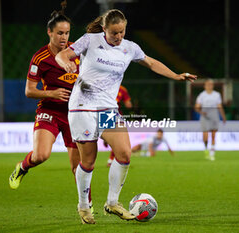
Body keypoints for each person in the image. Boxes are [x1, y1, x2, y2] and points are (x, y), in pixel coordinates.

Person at [55, 9, 197, 224]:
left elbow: (150, 62)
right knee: (89, 161)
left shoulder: (130, 48)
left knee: (124, 153)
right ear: (104, 29)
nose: (119, 36)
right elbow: (63, 54)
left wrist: (176, 75)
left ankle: (112, 203)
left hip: (108, 108)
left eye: (122, 31)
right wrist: (65, 61)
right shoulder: (90, 40)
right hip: (82, 107)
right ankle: (84, 206)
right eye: (114, 33)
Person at [8, 1, 93, 209]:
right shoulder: (41, 58)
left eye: (67, 33)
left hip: (74, 114)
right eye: (60, 33)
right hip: (50, 111)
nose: (64, 38)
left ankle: (86, 205)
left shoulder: (77, 52)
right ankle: (22, 167)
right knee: (41, 155)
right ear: (49, 32)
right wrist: (51, 93)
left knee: (78, 167)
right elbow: (29, 90)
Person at [195, 79, 226, 161]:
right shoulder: (201, 95)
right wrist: (201, 112)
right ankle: (206, 149)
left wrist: (223, 116)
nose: (209, 86)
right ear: (205, 86)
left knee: (213, 135)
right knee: (205, 135)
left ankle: (212, 154)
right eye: (208, 84)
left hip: (214, 115)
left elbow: (219, 106)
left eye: (211, 84)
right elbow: (197, 107)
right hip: (205, 115)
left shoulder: (217, 95)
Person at [106, 85, 132, 167]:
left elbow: (127, 103)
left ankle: (111, 160)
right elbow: (128, 104)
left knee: (116, 139)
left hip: (108, 115)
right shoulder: (121, 89)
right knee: (117, 140)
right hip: (109, 114)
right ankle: (111, 159)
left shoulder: (107, 86)